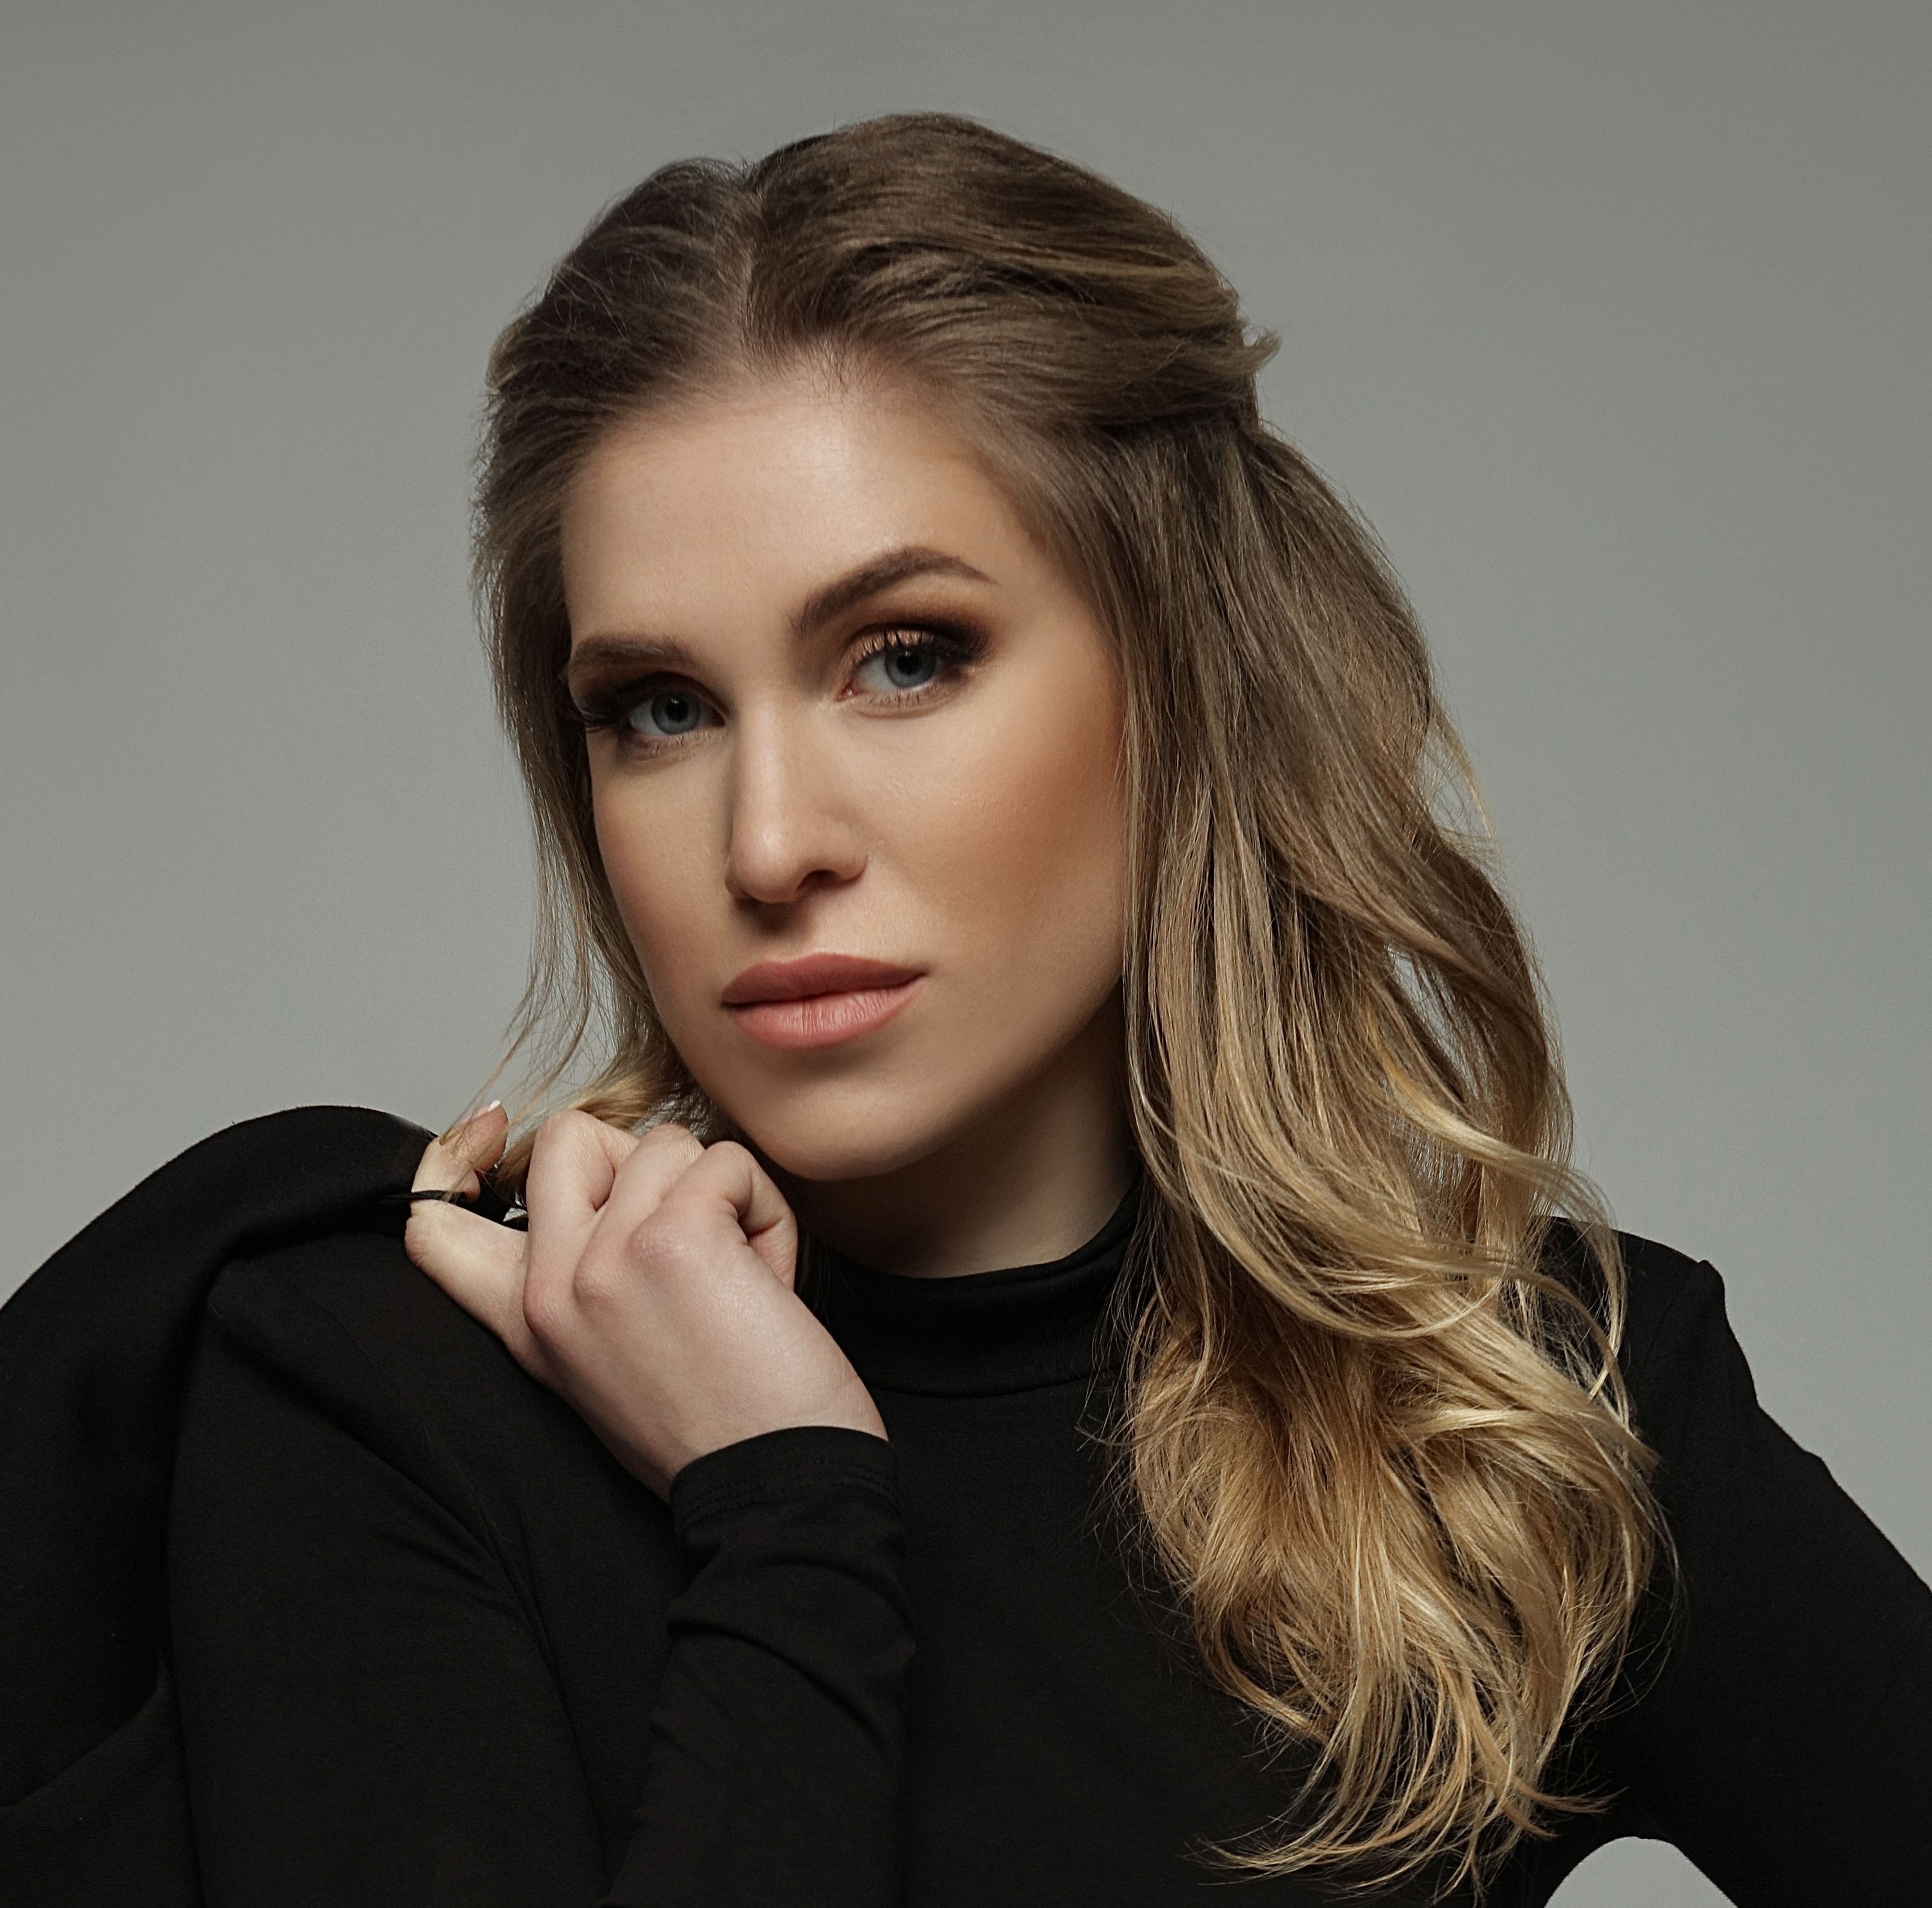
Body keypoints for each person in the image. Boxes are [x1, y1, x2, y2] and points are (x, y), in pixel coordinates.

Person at [2, 111, 1927, 1908]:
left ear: (1182, 680)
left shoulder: (1513, 1418)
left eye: (905, 659)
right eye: (659, 709)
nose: (769, 842)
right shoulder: (380, 1383)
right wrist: (790, 1520)